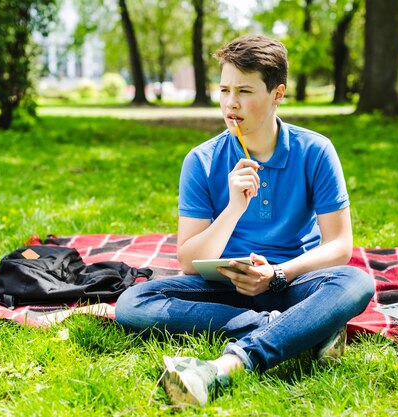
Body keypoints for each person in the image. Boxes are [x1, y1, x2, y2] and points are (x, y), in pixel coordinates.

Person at [115, 35, 375, 407]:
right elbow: (188, 261)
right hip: (226, 286)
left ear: (277, 94)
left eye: (244, 91)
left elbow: (340, 246)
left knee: (356, 281)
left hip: (293, 282)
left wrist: (278, 274)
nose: (230, 103)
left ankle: (241, 358)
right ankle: (289, 327)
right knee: (133, 302)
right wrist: (234, 207)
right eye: (224, 90)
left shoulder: (315, 151)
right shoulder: (201, 160)